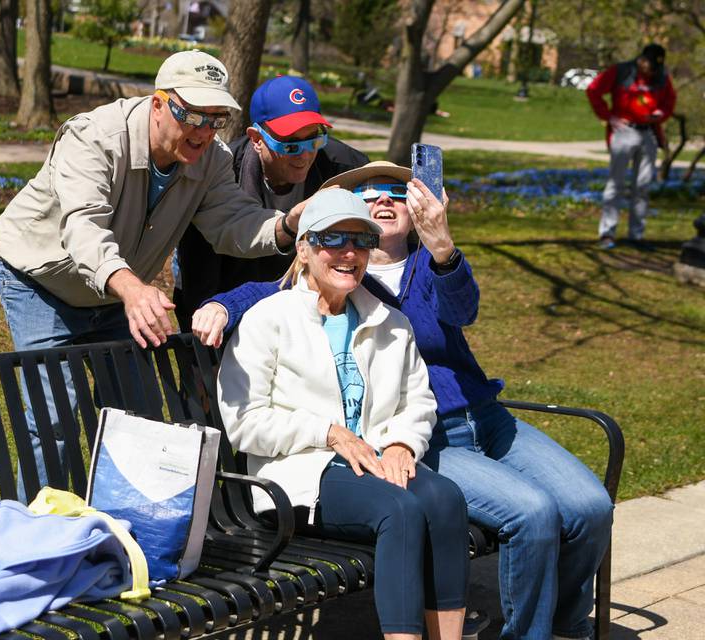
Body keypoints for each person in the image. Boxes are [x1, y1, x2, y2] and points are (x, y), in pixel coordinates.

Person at [195, 161, 614, 640]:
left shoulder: (423, 270)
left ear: (416, 206)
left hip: (473, 417)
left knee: (589, 506)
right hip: (410, 441)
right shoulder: (332, 285)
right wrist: (222, 304)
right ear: (311, 245)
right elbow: (274, 296)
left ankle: (563, 624)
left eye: (397, 192)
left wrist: (443, 247)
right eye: (367, 194)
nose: (382, 202)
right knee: (525, 512)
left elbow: (463, 313)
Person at [0, 50, 306, 498]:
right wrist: (133, 289)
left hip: (118, 293)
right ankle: (30, 543)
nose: (202, 131)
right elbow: (83, 227)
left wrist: (288, 224)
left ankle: (129, 533)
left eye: (215, 119)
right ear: (159, 104)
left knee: (137, 413)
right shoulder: (95, 138)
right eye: (191, 115)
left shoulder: (209, 160)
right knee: (53, 419)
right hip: (43, 281)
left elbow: (231, 223)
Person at [216, 188, 469, 640]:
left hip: (371, 461)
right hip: (299, 474)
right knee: (402, 511)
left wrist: (400, 443)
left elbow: (418, 400)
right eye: (333, 239)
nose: (349, 252)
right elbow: (244, 422)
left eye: (360, 240)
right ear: (305, 248)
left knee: (446, 499)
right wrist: (329, 432)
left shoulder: (389, 322)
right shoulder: (268, 319)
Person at [173, 75, 368, 331]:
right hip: (228, 298)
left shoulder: (346, 169)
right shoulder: (221, 173)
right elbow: (198, 272)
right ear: (256, 138)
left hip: (313, 306)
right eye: (290, 144)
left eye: (314, 139)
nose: (305, 154)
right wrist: (203, 344)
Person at [586, 43, 676, 250]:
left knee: (642, 186)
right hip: (624, 132)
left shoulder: (662, 77)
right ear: (642, 60)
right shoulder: (621, 72)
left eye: (656, 68)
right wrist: (609, 117)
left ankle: (636, 235)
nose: (652, 72)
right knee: (615, 184)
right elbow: (593, 90)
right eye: (650, 66)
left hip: (649, 133)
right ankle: (607, 233)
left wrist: (661, 114)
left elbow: (669, 101)